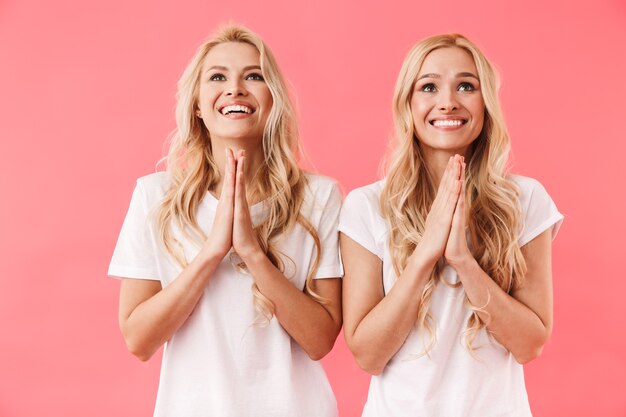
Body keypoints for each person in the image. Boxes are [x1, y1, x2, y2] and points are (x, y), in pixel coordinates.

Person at [108, 25, 343, 417]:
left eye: (254, 76)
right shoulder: (154, 196)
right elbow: (139, 339)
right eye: (217, 77)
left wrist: (251, 252)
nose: (235, 88)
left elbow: (320, 340)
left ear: (273, 100)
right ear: (198, 104)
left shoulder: (320, 197)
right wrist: (212, 251)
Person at [339, 34, 563, 417]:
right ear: (408, 104)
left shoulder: (524, 200)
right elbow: (368, 354)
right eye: (429, 87)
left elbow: (529, 345)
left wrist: (463, 261)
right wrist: (426, 254)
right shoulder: (366, 206)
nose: (448, 102)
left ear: (486, 102)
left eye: (466, 86)